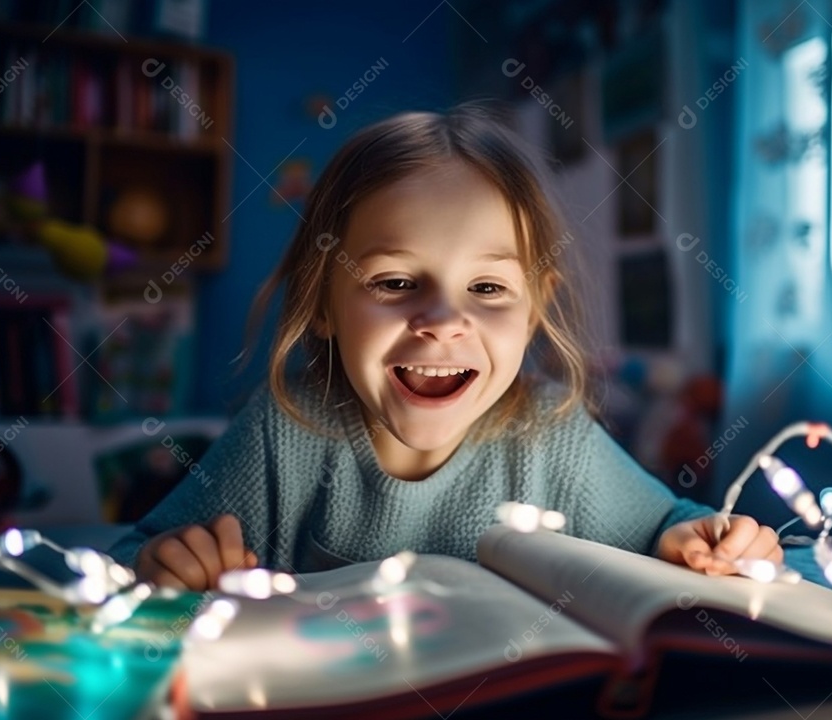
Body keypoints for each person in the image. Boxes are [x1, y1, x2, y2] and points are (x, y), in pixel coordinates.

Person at [107, 106, 783, 590]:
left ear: (534, 308)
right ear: (320, 305)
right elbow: (135, 551)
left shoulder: (551, 436)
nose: (442, 320)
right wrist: (165, 561)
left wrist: (701, 541)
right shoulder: (285, 431)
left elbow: (671, 520)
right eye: (396, 282)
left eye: (487, 287)